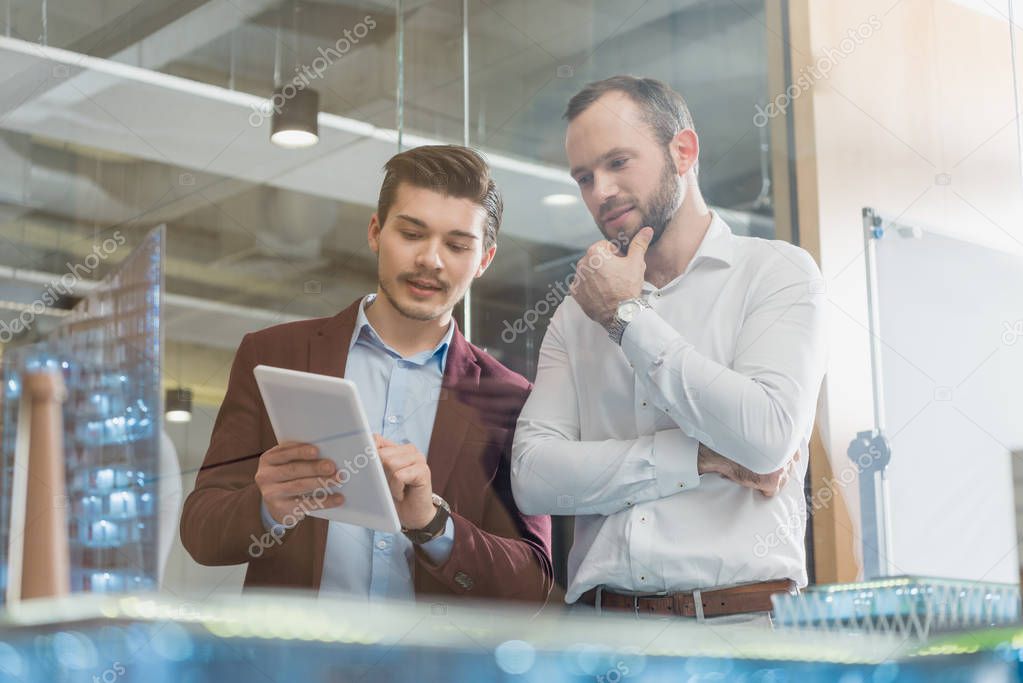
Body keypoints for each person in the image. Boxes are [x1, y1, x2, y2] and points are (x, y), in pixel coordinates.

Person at [511, 76, 827, 622]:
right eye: (584, 177)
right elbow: (535, 478)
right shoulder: (573, 313)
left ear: (682, 151)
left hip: (740, 632)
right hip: (601, 636)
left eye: (617, 163)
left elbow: (766, 437)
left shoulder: (775, 273)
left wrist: (625, 317)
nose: (600, 192)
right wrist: (699, 458)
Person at [181, 145, 553, 603]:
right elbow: (200, 532)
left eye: (456, 245)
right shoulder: (275, 354)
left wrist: (434, 525)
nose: (431, 260)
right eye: (412, 234)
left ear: (484, 260)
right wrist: (265, 506)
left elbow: (534, 583)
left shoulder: (511, 398)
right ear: (376, 232)